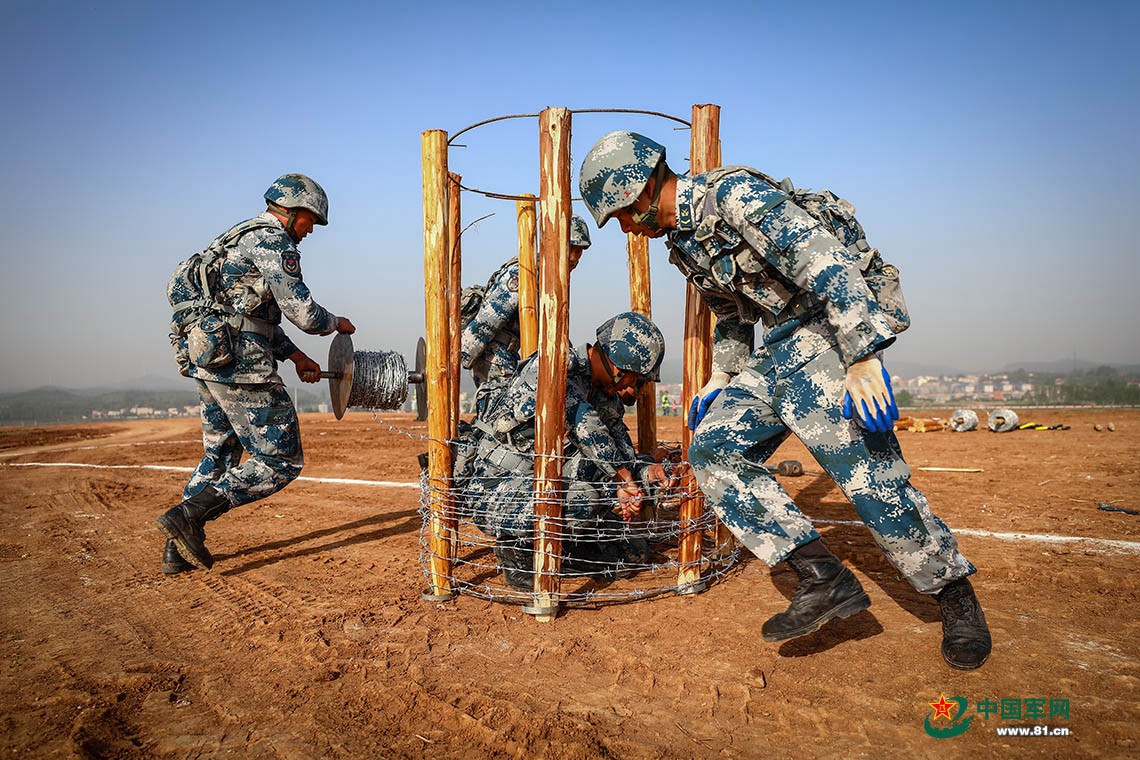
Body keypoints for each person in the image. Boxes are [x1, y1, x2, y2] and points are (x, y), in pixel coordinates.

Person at [579, 132, 991, 670]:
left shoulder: (733, 196)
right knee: (713, 448)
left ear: (637, 190)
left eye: (621, 216)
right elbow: (728, 309)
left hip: (824, 330)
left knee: (868, 478)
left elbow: (821, 261)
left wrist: (863, 354)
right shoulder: (684, 243)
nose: (627, 228)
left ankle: (952, 591)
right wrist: (723, 375)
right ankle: (823, 578)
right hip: (775, 345)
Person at [157, 173, 355, 574]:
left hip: (210, 362)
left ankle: (176, 551)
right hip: (243, 368)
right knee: (281, 459)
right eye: (311, 221)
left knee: (220, 454)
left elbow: (251, 318)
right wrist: (336, 323)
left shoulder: (232, 240)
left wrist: (297, 356)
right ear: (295, 210)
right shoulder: (272, 240)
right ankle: (189, 516)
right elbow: (304, 313)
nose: (311, 230)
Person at [461, 311, 676, 590]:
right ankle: (518, 549)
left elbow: (622, 456)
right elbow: (585, 426)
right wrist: (624, 479)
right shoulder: (558, 366)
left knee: (630, 551)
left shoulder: (602, 395)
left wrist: (649, 475)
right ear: (620, 366)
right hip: (496, 486)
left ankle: (561, 550)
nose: (634, 390)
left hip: (544, 488)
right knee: (584, 498)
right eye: (637, 380)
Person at [461, 215, 592, 391]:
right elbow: (483, 325)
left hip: (511, 354)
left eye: (580, 251)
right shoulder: (523, 273)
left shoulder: (551, 280)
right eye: (571, 248)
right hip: (492, 356)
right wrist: (454, 364)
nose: (574, 257)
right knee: (505, 407)